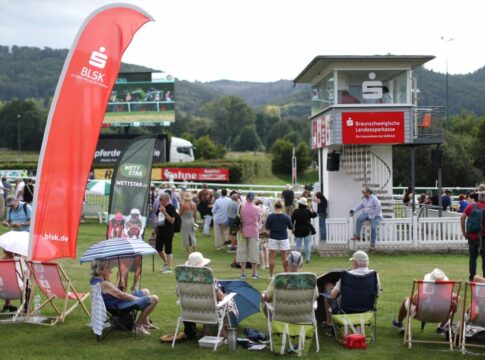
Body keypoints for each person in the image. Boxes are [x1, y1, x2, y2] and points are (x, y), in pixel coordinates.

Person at [178, 252, 238, 339]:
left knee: (203, 301)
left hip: (189, 311)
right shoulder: (209, 279)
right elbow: (221, 297)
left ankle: (206, 330)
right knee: (228, 300)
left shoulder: (183, 278)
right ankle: (222, 331)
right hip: (208, 311)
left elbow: (178, 294)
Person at [90, 259, 158, 335]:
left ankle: (145, 322)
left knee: (146, 291)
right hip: (119, 307)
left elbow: (115, 293)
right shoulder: (104, 284)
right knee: (154, 299)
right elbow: (123, 296)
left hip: (117, 302)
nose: (110, 269)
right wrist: (139, 299)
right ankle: (138, 325)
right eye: (107, 267)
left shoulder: (95, 281)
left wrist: (119, 282)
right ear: (100, 270)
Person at [323, 251, 380, 326]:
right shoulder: (374, 275)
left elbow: (333, 296)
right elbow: (378, 293)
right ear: (367, 263)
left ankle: (329, 323)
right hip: (367, 306)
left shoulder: (347, 276)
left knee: (328, 286)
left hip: (346, 306)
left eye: (352, 261)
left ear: (355, 263)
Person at [391, 268, 456, 333]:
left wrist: (413, 297)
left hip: (422, 315)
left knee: (406, 300)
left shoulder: (424, 291)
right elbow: (454, 307)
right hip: (441, 316)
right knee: (451, 309)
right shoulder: (449, 293)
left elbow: (414, 301)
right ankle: (441, 328)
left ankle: (398, 322)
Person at [265, 200, 293, 279]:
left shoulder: (270, 216)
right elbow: (291, 227)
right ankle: (286, 274)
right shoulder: (285, 216)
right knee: (284, 257)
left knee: (272, 257)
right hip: (283, 237)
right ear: (281, 207)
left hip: (273, 237)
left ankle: (271, 275)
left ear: (274, 207)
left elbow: (267, 227)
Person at [461, 191, 485, 281]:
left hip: (472, 236)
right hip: (484, 236)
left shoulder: (471, 206)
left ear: (478, 197)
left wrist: (464, 231)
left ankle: (472, 277)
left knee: (472, 258)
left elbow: (462, 217)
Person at [236, 192, 261, 279]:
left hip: (242, 231)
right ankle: (254, 273)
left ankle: (243, 273)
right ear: (253, 199)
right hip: (254, 231)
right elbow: (258, 219)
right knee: (254, 252)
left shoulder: (240, 206)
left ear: (246, 198)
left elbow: (238, 217)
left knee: (242, 251)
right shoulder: (258, 208)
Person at [292, 197, 317, 264]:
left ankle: (297, 260)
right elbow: (315, 215)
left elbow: (292, 220)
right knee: (307, 245)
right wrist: (311, 208)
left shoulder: (295, 211)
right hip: (306, 229)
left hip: (298, 229)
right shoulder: (307, 211)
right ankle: (308, 259)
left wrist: (292, 228)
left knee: (298, 245)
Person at [156, 193, 176, 273]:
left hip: (168, 231)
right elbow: (158, 218)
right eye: (159, 199)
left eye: (161, 199)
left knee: (168, 249)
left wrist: (165, 212)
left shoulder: (171, 208)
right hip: (160, 230)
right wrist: (155, 229)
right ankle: (166, 262)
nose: (160, 201)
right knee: (158, 248)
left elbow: (172, 220)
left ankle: (169, 267)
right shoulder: (160, 207)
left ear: (167, 200)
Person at [180, 192, 197, 257]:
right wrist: (195, 222)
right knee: (192, 235)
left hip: (185, 221)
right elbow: (195, 215)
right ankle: (194, 251)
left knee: (186, 236)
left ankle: (187, 252)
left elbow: (180, 214)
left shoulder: (183, 205)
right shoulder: (194, 204)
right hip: (192, 220)